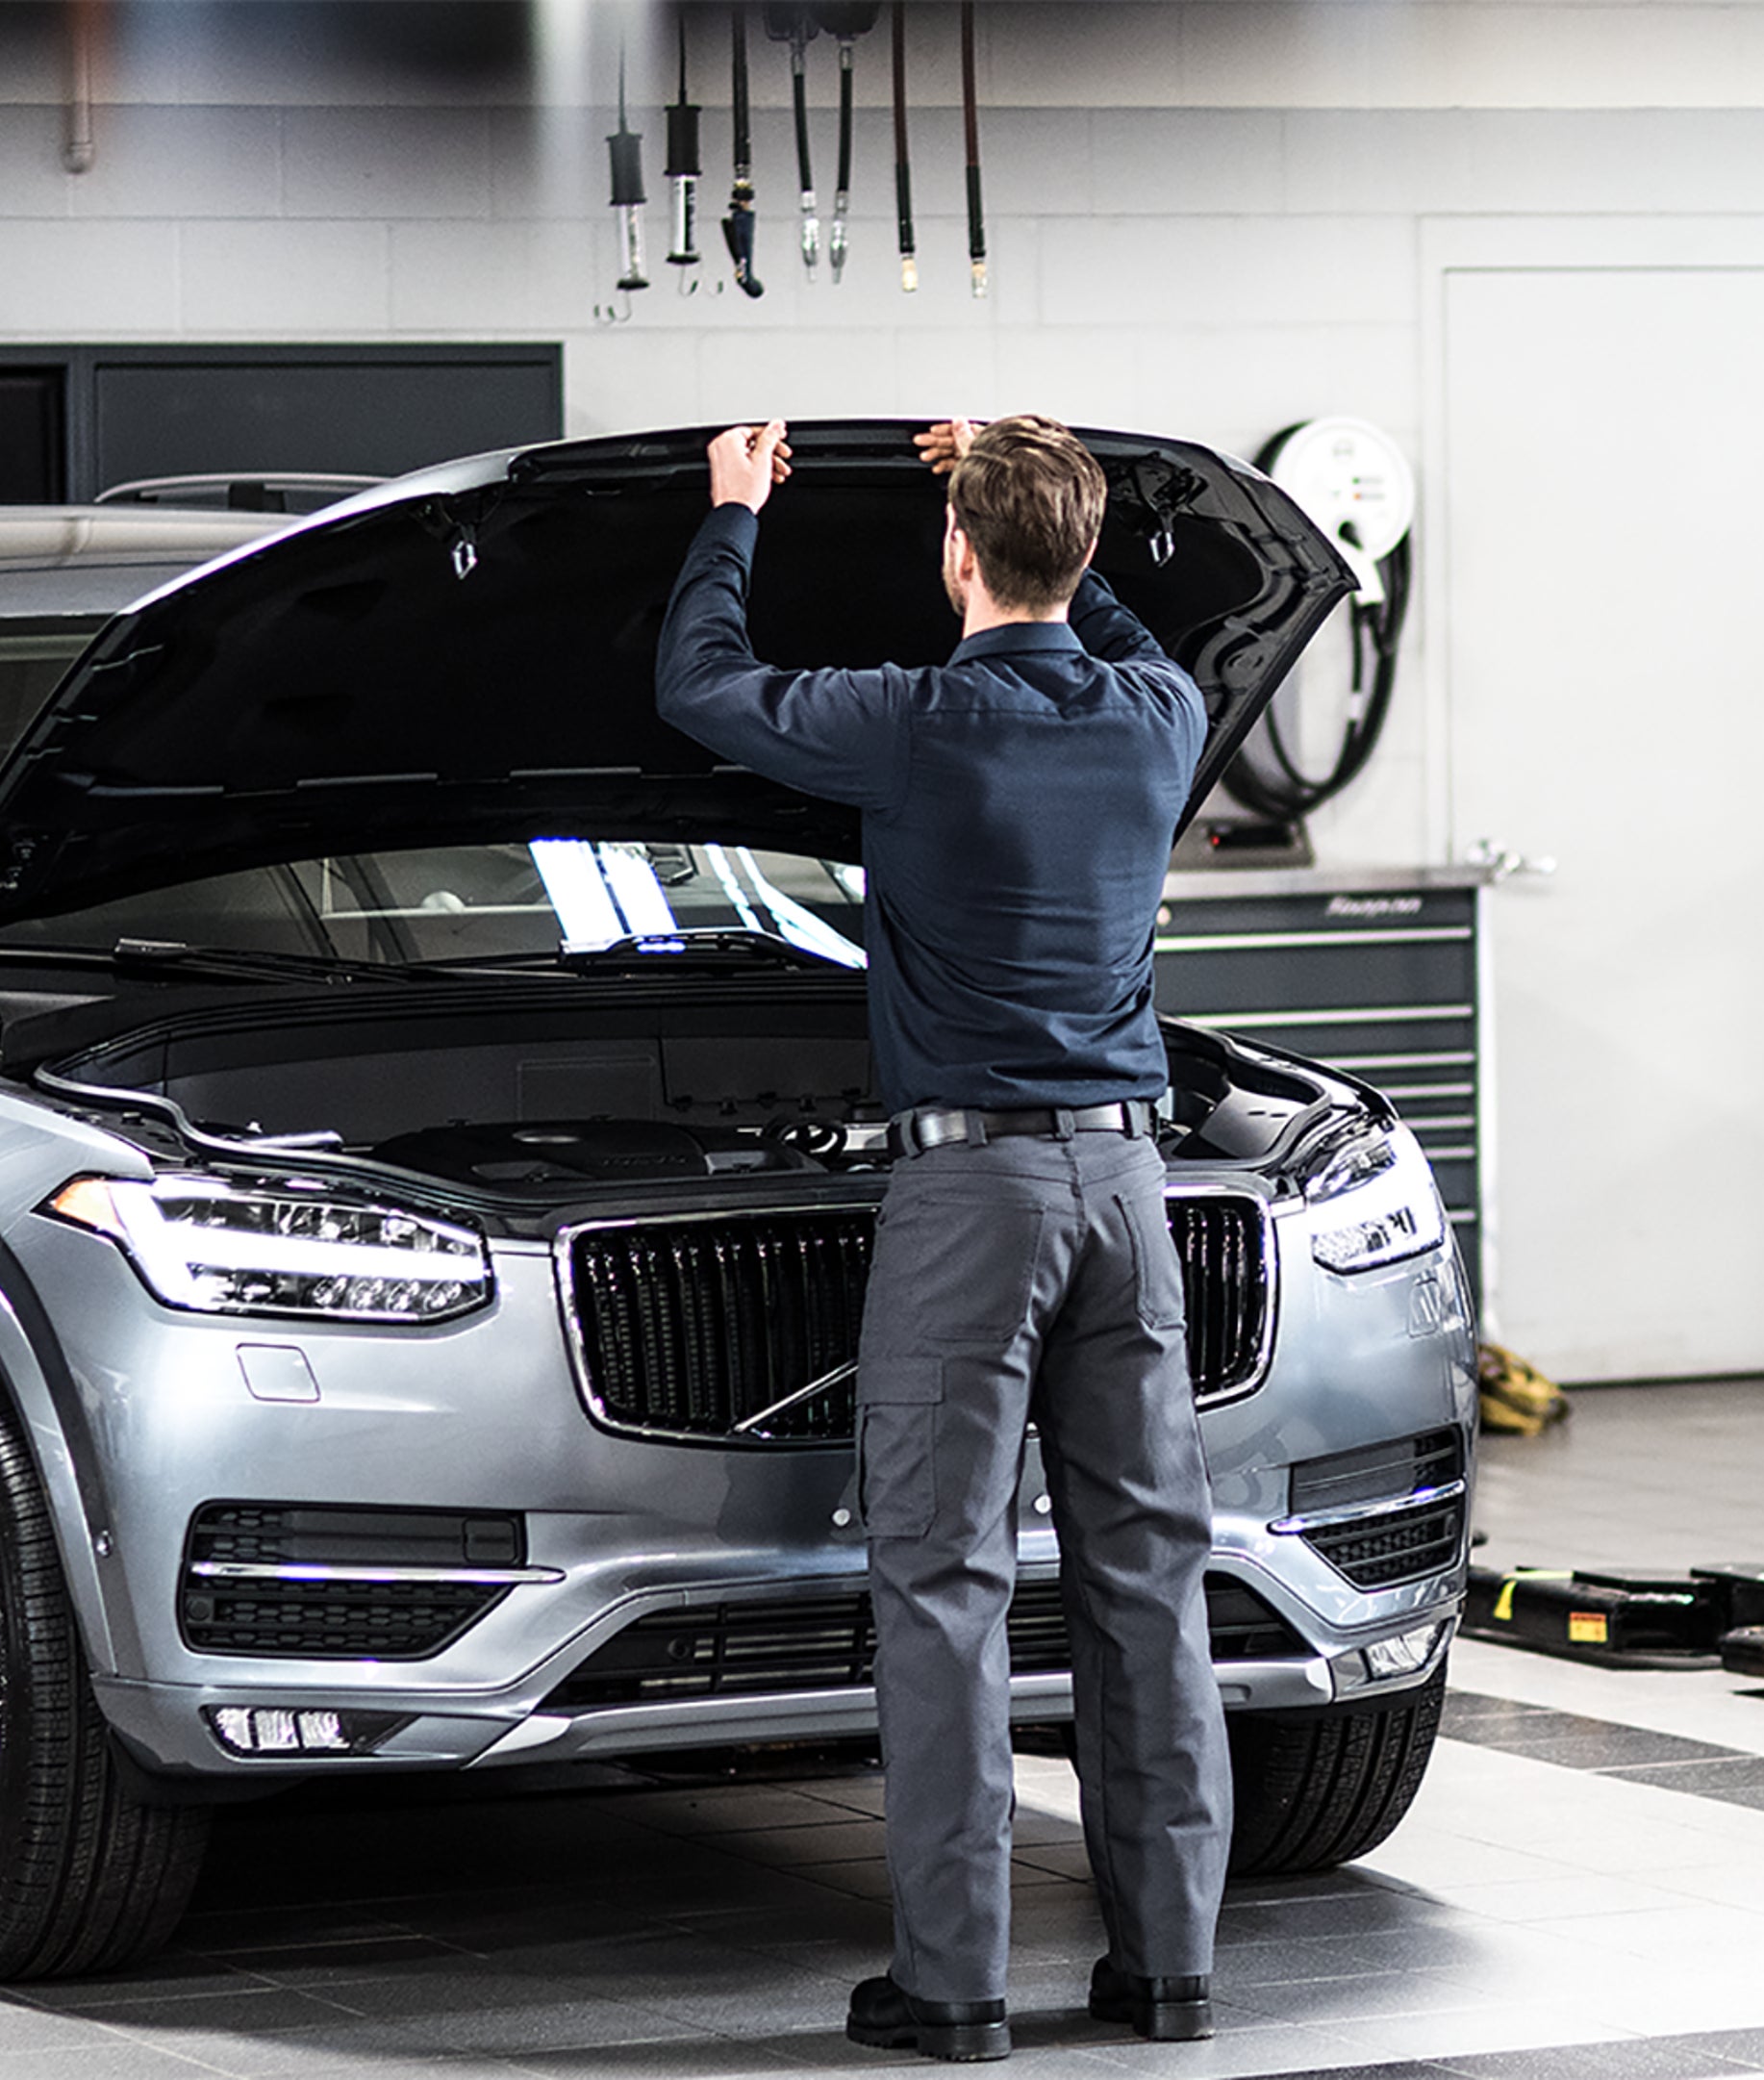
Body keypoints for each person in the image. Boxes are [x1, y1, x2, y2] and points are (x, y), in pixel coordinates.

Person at [655, 416, 1233, 2066]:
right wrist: (1027, 485)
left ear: (953, 558)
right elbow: (1105, 622)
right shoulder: (1159, 714)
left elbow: (702, 683)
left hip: (973, 1197)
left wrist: (733, 512)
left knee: (945, 1580)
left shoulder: (915, 723)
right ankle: (1169, 1969)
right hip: (1131, 1196)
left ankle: (958, 1986)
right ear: (1073, 545)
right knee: (1147, 1579)